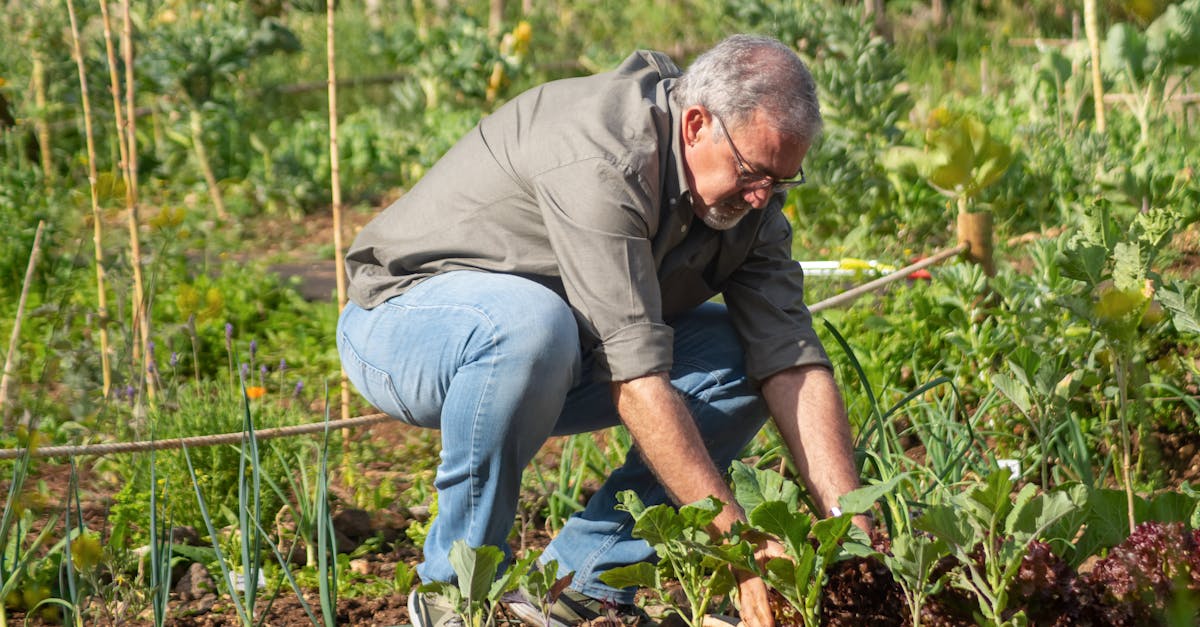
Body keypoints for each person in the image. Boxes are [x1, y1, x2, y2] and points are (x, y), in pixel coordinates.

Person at [337, 33, 871, 627]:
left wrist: (852, 536)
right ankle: (459, 592)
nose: (762, 195)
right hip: (406, 325)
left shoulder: (751, 205)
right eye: (753, 171)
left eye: (781, 180)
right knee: (531, 325)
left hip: (558, 351)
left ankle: (583, 585)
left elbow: (793, 361)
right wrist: (737, 547)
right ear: (696, 125)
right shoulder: (605, 158)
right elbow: (638, 380)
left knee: (740, 353)